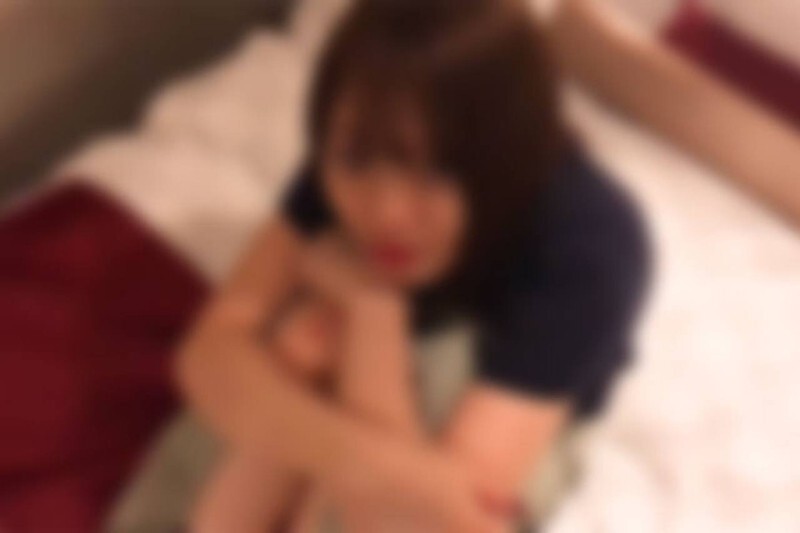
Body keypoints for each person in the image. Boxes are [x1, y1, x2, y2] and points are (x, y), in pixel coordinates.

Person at [177, 0, 650, 530]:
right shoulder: (365, 138)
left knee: (327, 358)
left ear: (507, 157)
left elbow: (423, 525)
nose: (387, 213)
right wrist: (375, 462)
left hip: (522, 410)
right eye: (355, 159)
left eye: (437, 172)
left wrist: (372, 311)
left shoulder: (589, 242)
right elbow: (210, 352)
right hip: (393, 420)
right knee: (303, 345)